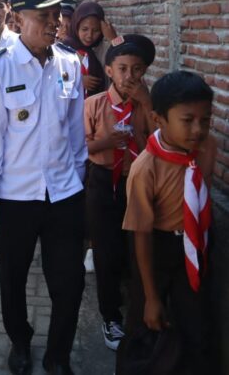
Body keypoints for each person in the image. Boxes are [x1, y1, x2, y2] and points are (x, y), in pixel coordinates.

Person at [0, 0, 87, 375]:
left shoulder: (69, 64)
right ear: (18, 18)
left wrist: (77, 183)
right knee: (13, 280)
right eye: (43, 16)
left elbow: (76, 134)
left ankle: (58, 355)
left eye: (57, 14)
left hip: (63, 194)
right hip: (15, 197)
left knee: (70, 282)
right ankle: (20, 341)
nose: (54, 22)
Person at [119, 71, 217, 375]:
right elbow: (142, 235)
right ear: (158, 120)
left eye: (205, 119)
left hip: (196, 244)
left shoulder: (207, 148)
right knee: (146, 322)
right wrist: (151, 296)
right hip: (157, 248)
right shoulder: (145, 168)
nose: (198, 129)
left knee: (195, 322)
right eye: (187, 120)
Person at [84, 35, 156, 351]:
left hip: (138, 183)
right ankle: (110, 315)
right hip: (102, 182)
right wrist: (106, 142)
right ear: (109, 71)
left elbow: (162, 140)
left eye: (137, 69)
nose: (129, 76)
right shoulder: (94, 104)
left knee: (137, 250)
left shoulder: (148, 105)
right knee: (106, 250)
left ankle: (140, 313)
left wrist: (148, 103)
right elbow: (79, 146)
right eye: (123, 68)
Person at [62, 1, 117, 98]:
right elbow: (53, 77)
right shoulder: (64, 49)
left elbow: (123, 65)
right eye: (85, 29)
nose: (89, 35)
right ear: (76, 27)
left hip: (101, 104)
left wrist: (113, 39)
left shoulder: (105, 49)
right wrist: (77, 80)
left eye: (96, 30)